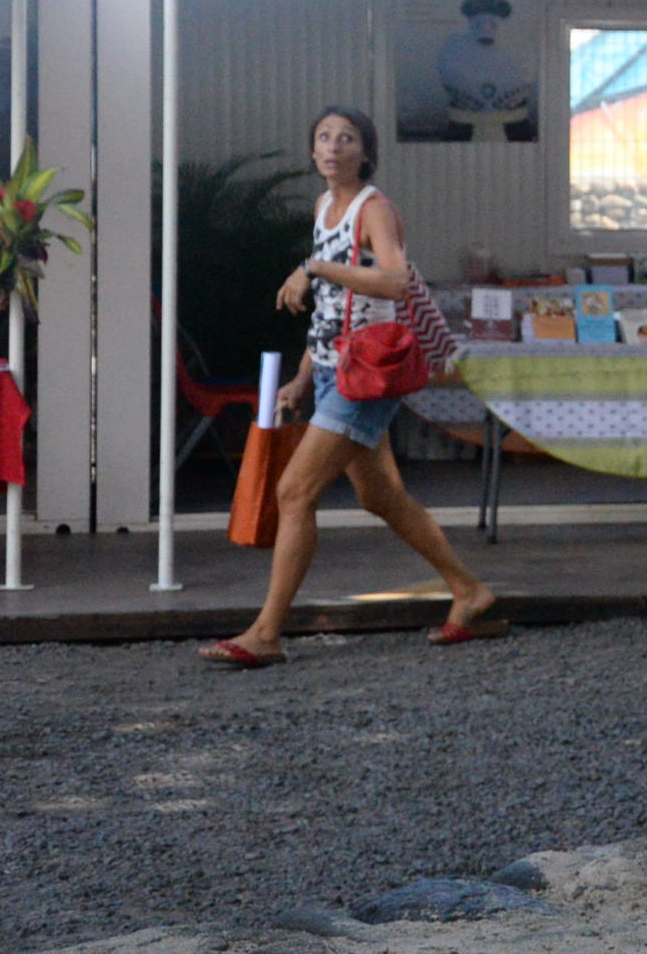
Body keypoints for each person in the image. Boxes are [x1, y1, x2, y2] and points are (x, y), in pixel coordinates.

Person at [199, 106, 502, 667]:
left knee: (294, 492)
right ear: (312, 151)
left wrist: (313, 268)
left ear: (366, 152)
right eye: (323, 137)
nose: (333, 147)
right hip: (339, 368)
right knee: (378, 495)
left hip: (368, 375)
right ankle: (470, 592)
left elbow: (392, 280)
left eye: (347, 139)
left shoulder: (374, 208)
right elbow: (334, 312)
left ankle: (266, 633)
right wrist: (300, 378)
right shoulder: (325, 207)